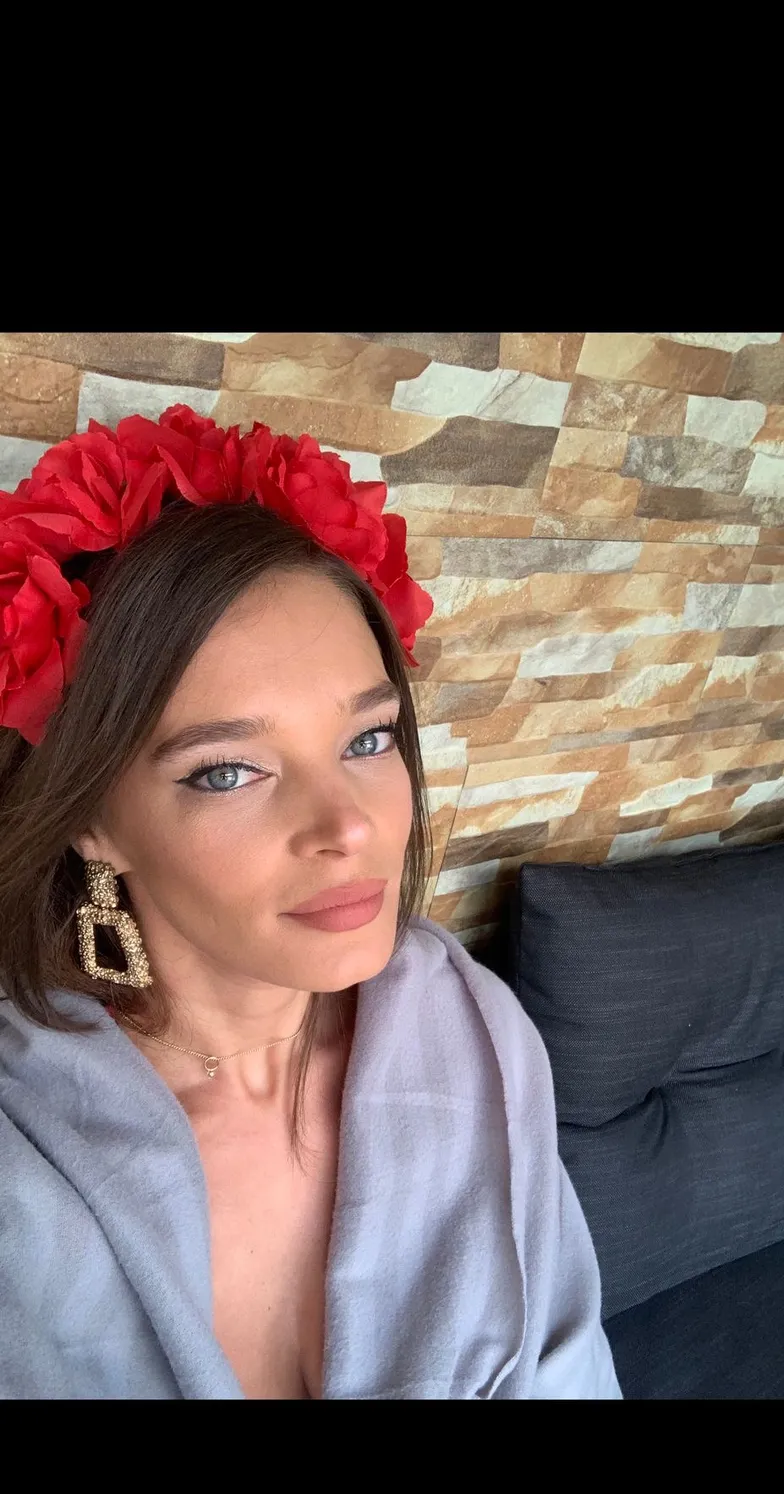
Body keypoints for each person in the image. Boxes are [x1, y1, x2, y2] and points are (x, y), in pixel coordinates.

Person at [0, 403, 622, 1400]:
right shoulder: (23, 1168)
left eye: (367, 740)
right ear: (91, 820)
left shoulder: (478, 1035)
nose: (348, 826)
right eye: (228, 770)